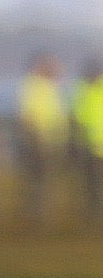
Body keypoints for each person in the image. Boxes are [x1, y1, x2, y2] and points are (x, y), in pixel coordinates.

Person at [17, 54, 72, 224]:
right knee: (40, 180)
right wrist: (38, 139)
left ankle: (41, 214)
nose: (55, 70)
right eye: (51, 66)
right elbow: (29, 116)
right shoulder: (34, 86)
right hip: (39, 142)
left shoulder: (49, 87)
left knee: (44, 180)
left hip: (51, 141)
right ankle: (38, 216)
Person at [74, 58, 103, 225]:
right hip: (90, 147)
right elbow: (79, 119)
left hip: (94, 145)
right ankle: (95, 214)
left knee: (94, 183)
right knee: (93, 184)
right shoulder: (82, 91)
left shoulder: (85, 90)